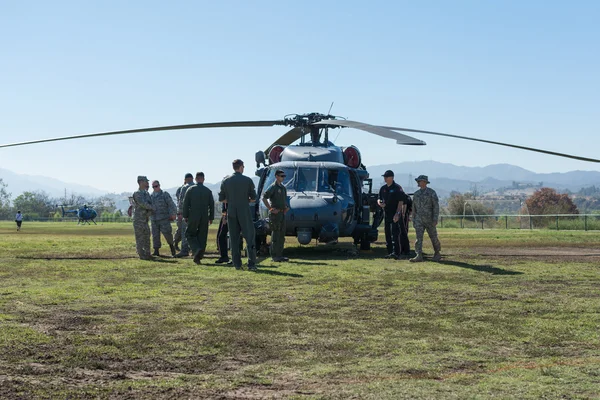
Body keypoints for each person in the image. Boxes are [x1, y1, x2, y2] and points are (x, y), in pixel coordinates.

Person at [218, 159, 258, 271]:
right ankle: (251, 264)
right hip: (244, 211)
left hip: (231, 211)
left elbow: (222, 199)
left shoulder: (226, 181)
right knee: (249, 237)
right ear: (241, 167)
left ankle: (237, 264)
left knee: (234, 238)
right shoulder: (248, 180)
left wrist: (231, 201)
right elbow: (253, 198)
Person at [182, 172, 215, 264]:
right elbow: (212, 206)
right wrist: (211, 217)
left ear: (196, 179)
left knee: (189, 234)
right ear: (203, 179)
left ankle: (196, 249)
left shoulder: (190, 189)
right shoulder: (208, 191)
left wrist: (185, 215)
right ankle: (199, 257)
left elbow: (186, 204)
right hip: (204, 216)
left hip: (193, 215)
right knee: (202, 236)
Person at [377, 170, 410, 259]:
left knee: (396, 233)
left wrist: (398, 213)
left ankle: (399, 252)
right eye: (384, 177)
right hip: (387, 213)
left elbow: (401, 201)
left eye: (386, 177)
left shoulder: (397, 188)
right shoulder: (383, 188)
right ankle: (390, 251)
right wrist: (380, 203)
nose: (385, 178)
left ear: (391, 177)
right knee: (387, 232)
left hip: (395, 213)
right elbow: (379, 198)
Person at [410, 175, 442, 262]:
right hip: (419, 220)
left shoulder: (432, 193)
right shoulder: (416, 194)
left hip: (430, 220)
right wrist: (414, 219)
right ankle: (418, 255)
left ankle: (437, 253)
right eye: (418, 181)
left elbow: (436, 206)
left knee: (433, 237)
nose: (418, 182)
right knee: (418, 238)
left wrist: (435, 219)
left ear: (424, 182)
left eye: (419, 181)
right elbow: (414, 208)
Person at [262, 169, 290, 262]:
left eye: (284, 176)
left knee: (282, 234)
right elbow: (264, 197)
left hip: (282, 213)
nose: (283, 178)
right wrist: (270, 208)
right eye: (281, 176)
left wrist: (286, 207)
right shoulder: (273, 187)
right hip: (275, 215)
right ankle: (274, 255)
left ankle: (280, 254)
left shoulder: (283, 188)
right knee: (275, 234)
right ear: (276, 176)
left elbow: (284, 200)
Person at [150, 180, 177, 257]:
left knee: (168, 234)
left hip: (164, 219)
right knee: (155, 235)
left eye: (156, 186)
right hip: (154, 219)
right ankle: (156, 250)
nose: (155, 188)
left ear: (159, 185)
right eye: (153, 187)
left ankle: (172, 248)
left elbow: (171, 205)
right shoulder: (151, 196)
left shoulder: (164, 194)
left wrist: (173, 214)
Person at [132, 175, 154, 260]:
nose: (147, 183)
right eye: (146, 181)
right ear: (140, 182)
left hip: (145, 219)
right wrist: (152, 208)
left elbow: (150, 203)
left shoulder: (147, 193)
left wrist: (150, 211)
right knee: (140, 237)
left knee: (147, 236)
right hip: (138, 219)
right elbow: (143, 204)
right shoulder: (137, 194)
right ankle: (141, 254)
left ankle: (148, 253)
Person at [174, 173, 194, 258]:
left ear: (185, 179)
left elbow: (181, 202)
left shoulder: (184, 188)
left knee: (184, 232)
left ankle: (184, 250)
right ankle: (194, 249)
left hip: (186, 214)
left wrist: (180, 213)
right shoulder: (197, 187)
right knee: (194, 232)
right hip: (196, 214)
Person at [173, 178, 186, 252]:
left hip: (186, 213)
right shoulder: (180, 190)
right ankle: (175, 243)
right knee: (180, 230)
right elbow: (180, 202)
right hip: (180, 213)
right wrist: (179, 213)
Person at [215, 198, 230, 264]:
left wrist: (225, 217)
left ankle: (224, 256)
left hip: (228, 215)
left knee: (221, 236)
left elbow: (226, 204)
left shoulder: (227, 190)